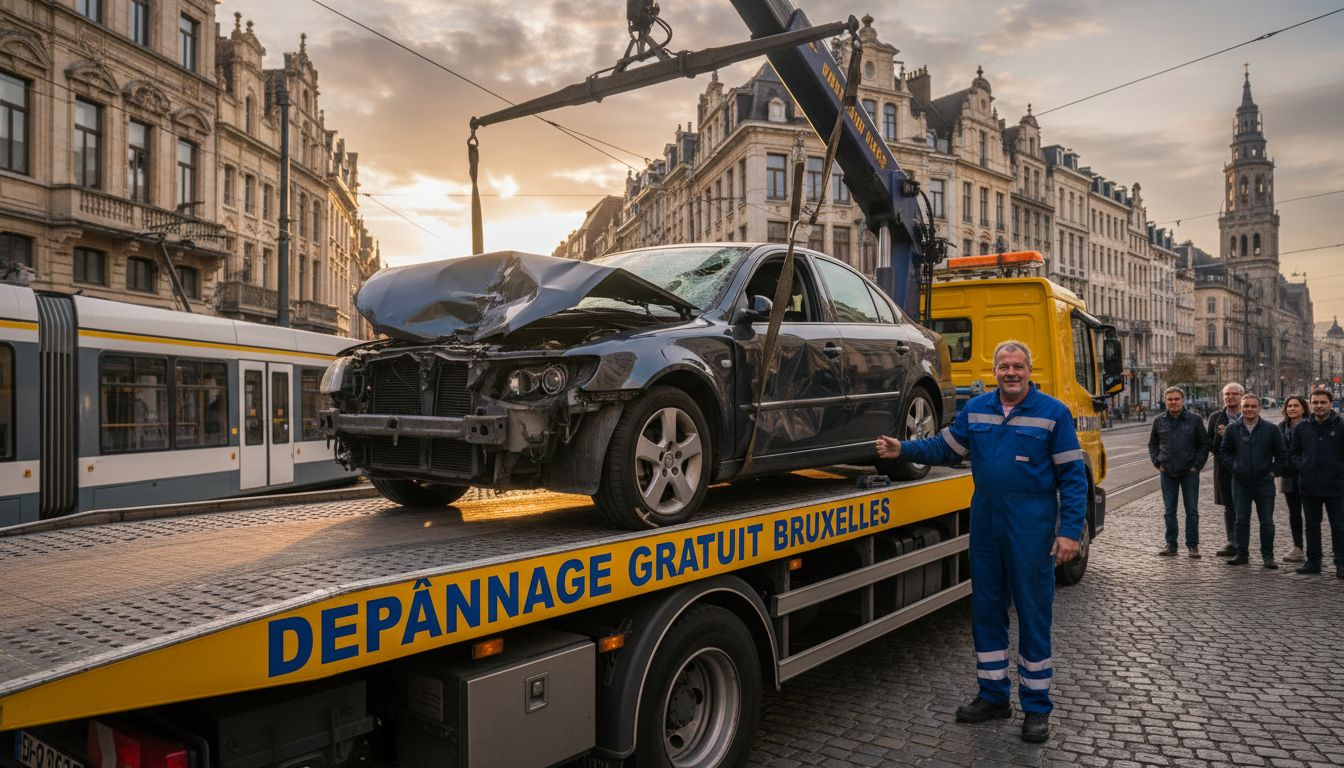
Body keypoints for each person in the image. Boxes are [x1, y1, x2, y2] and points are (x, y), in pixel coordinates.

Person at [875, 340, 1085, 744]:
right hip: (987, 523)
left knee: (1033, 614)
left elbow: (1073, 479)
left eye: (1018, 366)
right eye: (1004, 366)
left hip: (1032, 526)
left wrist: (1068, 531)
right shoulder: (977, 410)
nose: (1010, 372)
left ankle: (1037, 708)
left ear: (1029, 369)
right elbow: (945, 448)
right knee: (986, 610)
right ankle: (993, 696)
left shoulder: (1054, 414)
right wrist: (903, 448)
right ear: (995, 370)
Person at [1219, 393, 1285, 568]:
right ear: (1241, 408)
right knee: (1241, 520)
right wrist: (1234, 467)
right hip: (1240, 482)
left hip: (1264, 481)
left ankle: (1268, 556)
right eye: (1246, 406)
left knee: (1267, 521)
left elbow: (1281, 455)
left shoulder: (1271, 429)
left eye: (1253, 406)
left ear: (1259, 408)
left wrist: (1273, 472)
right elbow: (1224, 452)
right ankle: (1241, 554)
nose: (1249, 409)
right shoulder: (1233, 429)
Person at [1288, 388, 1344, 578]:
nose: (1319, 406)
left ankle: (1341, 563)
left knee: (1339, 525)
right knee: (1312, 525)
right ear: (1310, 404)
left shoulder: (1341, 426)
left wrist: (1338, 468)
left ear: (1330, 404)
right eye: (1315, 403)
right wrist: (1302, 465)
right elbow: (1294, 452)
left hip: (1336, 485)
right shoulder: (1302, 427)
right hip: (1309, 484)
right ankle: (1313, 561)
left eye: (1323, 402)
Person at [1148, 387, 1209, 557]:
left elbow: (1204, 444)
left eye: (1176, 399)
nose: (1173, 402)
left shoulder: (1194, 420)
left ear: (1183, 401)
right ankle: (1171, 545)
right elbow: (1152, 444)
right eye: (1170, 399)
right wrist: (1157, 462)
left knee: (1192, 510)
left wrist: (1196, 465)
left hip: (1190, 472)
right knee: (1169, 511)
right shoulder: (1159, 420)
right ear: (1165, 401)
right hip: (1167, 471)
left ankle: (1192, 546)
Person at [1207, 382, 1245, 557]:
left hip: (1246, 468)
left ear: (1241, 396)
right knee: (1229, 506)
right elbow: (1210, 445)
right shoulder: (1216, 417)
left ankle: (1243, 544)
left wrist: (1231, 435)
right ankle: (1232, 542)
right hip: (1224, 468)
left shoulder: (1249, 413)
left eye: (1234, 394)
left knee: (1244, 506)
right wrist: (1220, 437)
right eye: (1227, 395)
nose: (1230, 397)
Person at [1278, 396, 1308, 563]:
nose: (1292, 409)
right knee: (1294, 514)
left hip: (1308, 474)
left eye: (1296, 406)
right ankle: (1298, 547)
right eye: (1289, 406)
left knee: (1312, 514)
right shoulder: (1282, 427)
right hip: (1288, 475)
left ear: (1303, 408)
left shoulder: (1311, 425)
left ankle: (1315, 549)